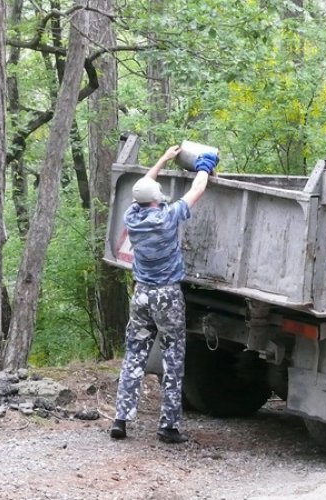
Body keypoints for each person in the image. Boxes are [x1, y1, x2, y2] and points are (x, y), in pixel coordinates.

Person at [110, 144, 219, 444]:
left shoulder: (132, 216)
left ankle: (121, 419)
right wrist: (205, 165)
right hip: (166, 296)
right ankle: (168, 426)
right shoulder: (167, 217)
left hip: (141, 295)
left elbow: (141, 188)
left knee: (134, 355)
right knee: (173, 357)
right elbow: (197, 190)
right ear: (158, 198)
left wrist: (163, 159)